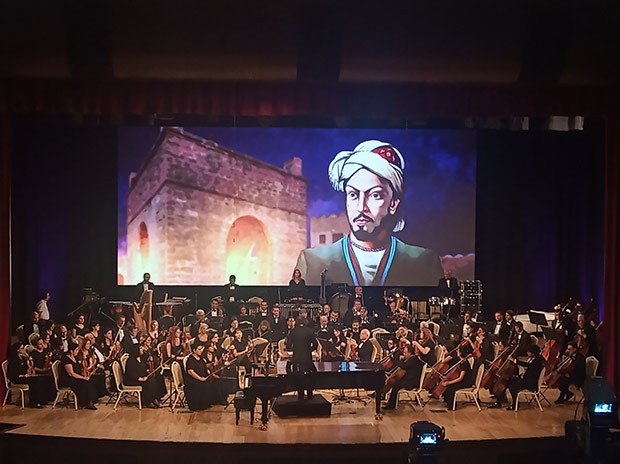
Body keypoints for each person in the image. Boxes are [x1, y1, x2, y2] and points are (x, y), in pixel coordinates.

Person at [295, 140, 443, 286]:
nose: (361, 207)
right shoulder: (312, 262)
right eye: (353, 194)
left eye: (375, 195)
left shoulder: (424, 263)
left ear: (393, 204)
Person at [489, 345, 544, 410]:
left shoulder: (537, 361)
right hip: (526, 380)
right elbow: (529, 367)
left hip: (530, 383)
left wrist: (514, 360)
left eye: (528, 352)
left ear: (533, 353)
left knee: (512, 386)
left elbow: (528, 366)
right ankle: (499, 402)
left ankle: (515, 405)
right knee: (506, 381)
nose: (527, 353)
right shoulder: (535, 359)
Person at [184, 342, 228, 411]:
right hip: (194, 380)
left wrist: (210, 367)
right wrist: (200, 378)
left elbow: (204, 366)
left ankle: (218, 400)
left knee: (218, 381)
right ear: (194, 350)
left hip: (202, 378)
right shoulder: (191, 359)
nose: (201, 351)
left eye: (201, 349)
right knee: (206, 385)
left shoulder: (201, 358)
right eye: (199, 349)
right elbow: (190, 372)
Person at [6, 342, 52, 408]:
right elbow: (12, 374)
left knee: (42, 379)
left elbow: (26, 368)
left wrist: (29, 365)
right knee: (35, 381)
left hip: (24, 376)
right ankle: (34, 403)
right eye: (22, 348)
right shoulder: (14, 360)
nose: (23, 350)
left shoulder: (22, 358)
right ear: (17, 350)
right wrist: (24, 375)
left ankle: (43, 400)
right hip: (17, 378)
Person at [383, 344, 424, 410]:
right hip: (410, 380)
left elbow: (403, 365)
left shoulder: (413, 359)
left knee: (395, 386)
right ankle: (390, 403)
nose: (403, 354)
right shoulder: (413, 359)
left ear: (409, 353)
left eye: (405, 353)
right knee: (395, 384)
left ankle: (391, 405)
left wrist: (400, 359)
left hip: (411, 382)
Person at [59, 341, 98, 409]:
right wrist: (83, 378)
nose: (77, 351)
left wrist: (86, 373)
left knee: (92, 380)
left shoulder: (75, 357)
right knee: (84, 382)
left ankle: (90, 400)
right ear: (71, 351)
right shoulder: (66, 359)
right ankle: (86, 402)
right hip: (68, 380)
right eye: (76, 350)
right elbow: (71, 374)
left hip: (75, 378)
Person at [286, 317, 318, 400]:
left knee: (298, 376)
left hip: (297, 357)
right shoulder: (310, 331)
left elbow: (288, 345)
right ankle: (310, 394)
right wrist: (309, 350)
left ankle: (300, 394)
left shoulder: (293, 331)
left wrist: (293, 350)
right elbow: (315, 345)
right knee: (309, 375)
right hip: (307, 357)